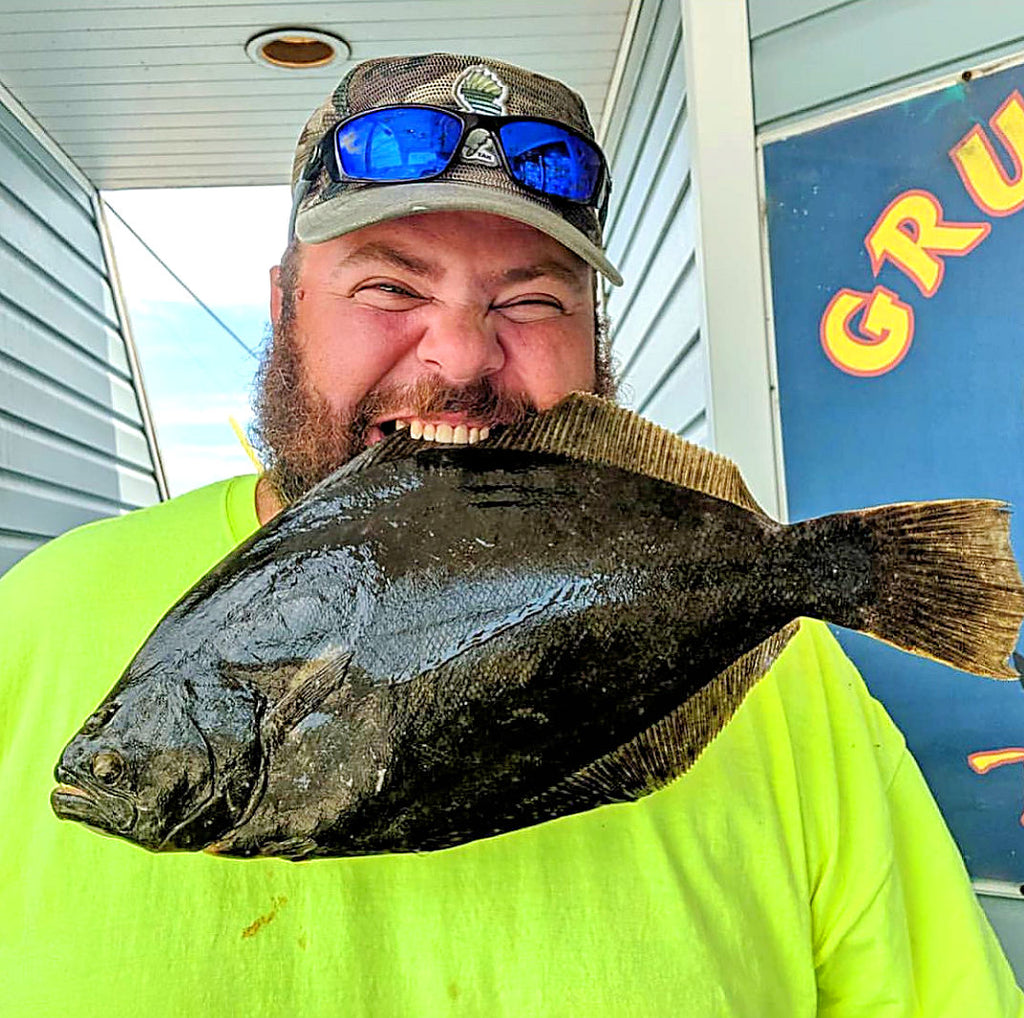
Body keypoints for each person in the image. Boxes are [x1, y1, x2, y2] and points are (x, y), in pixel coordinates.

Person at [0, 51, 1020, 1018]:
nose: (458, 356)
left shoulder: (790, 675)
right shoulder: (36, 620)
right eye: (389, 286)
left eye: (530, 299)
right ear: (281, 306)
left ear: (592, 335)